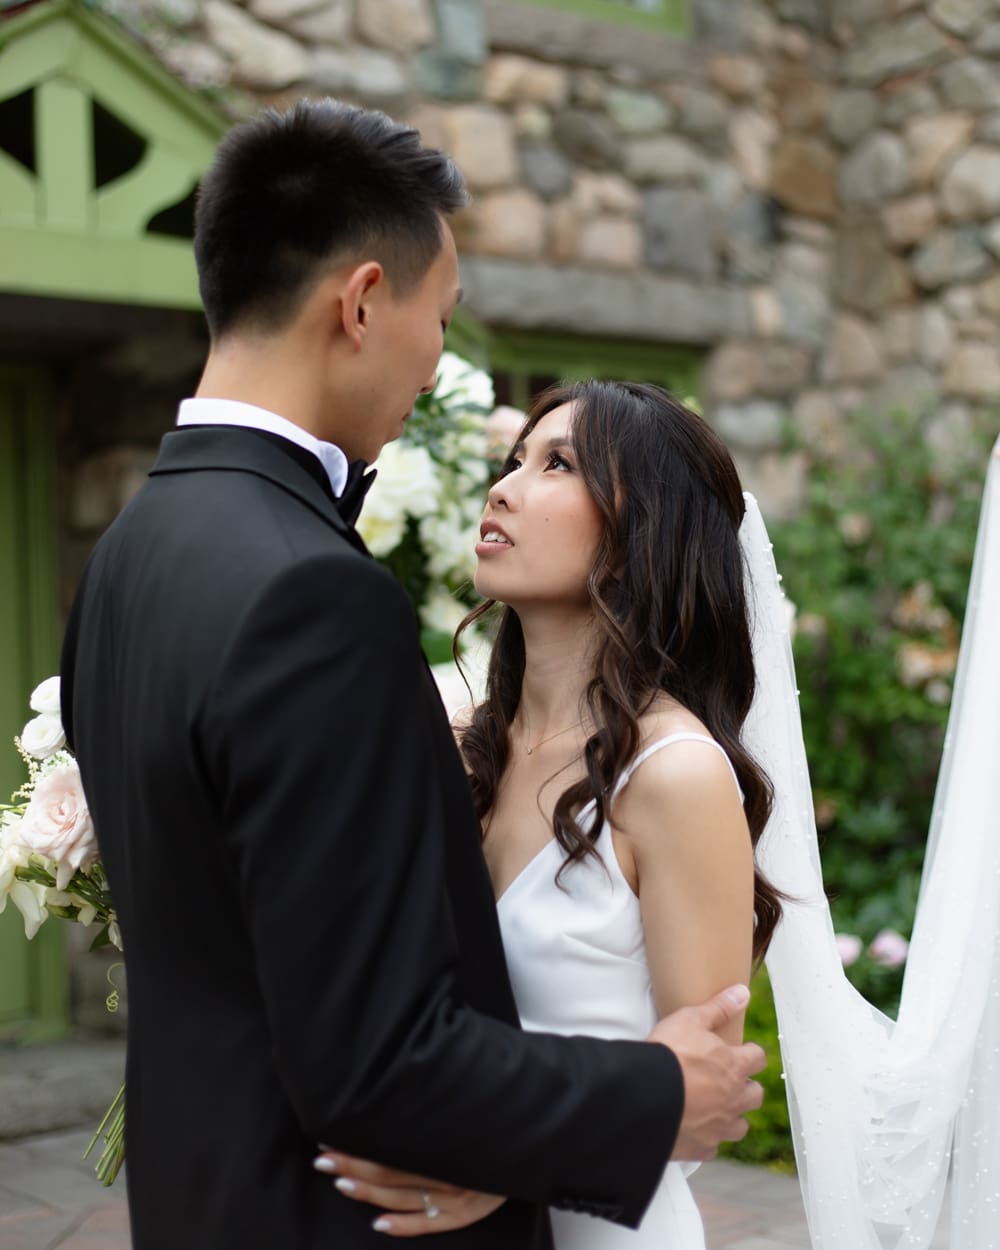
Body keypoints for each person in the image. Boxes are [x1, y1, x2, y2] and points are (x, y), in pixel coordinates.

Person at [59, 102, 765, 1250]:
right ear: (362, 302)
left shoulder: (127, 558)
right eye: (439, 318)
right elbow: (374, 1053)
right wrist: (632, 1105)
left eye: (555, 463)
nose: (438, 359)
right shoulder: (313, 595)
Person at [320, 380, 785, 1247]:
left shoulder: (675, 776)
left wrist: (499, 1170)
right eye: (514, 459)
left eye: (558, 464)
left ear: (641, 531)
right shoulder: (452, 736)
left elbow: (705, 1094)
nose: (504, 487)